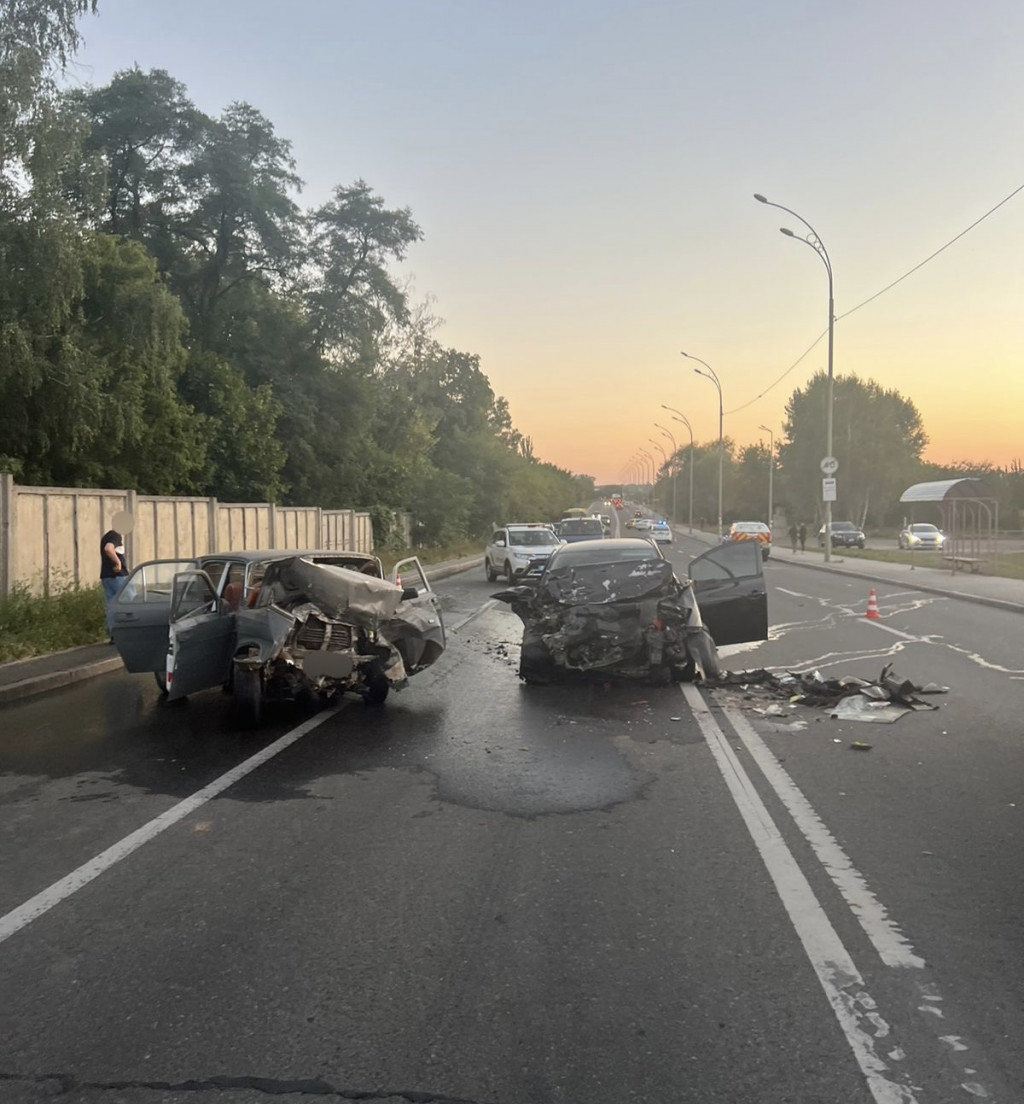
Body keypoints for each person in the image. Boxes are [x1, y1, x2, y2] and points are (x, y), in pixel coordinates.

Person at [100, 524, 129, 633]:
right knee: (130, 600)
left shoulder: (106, 536)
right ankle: (128, 630)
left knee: (111, 605)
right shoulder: (115, 535)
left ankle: (114, 633)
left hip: (106, 576)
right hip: (118, 576)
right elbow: (108, 548)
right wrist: (118, 562)